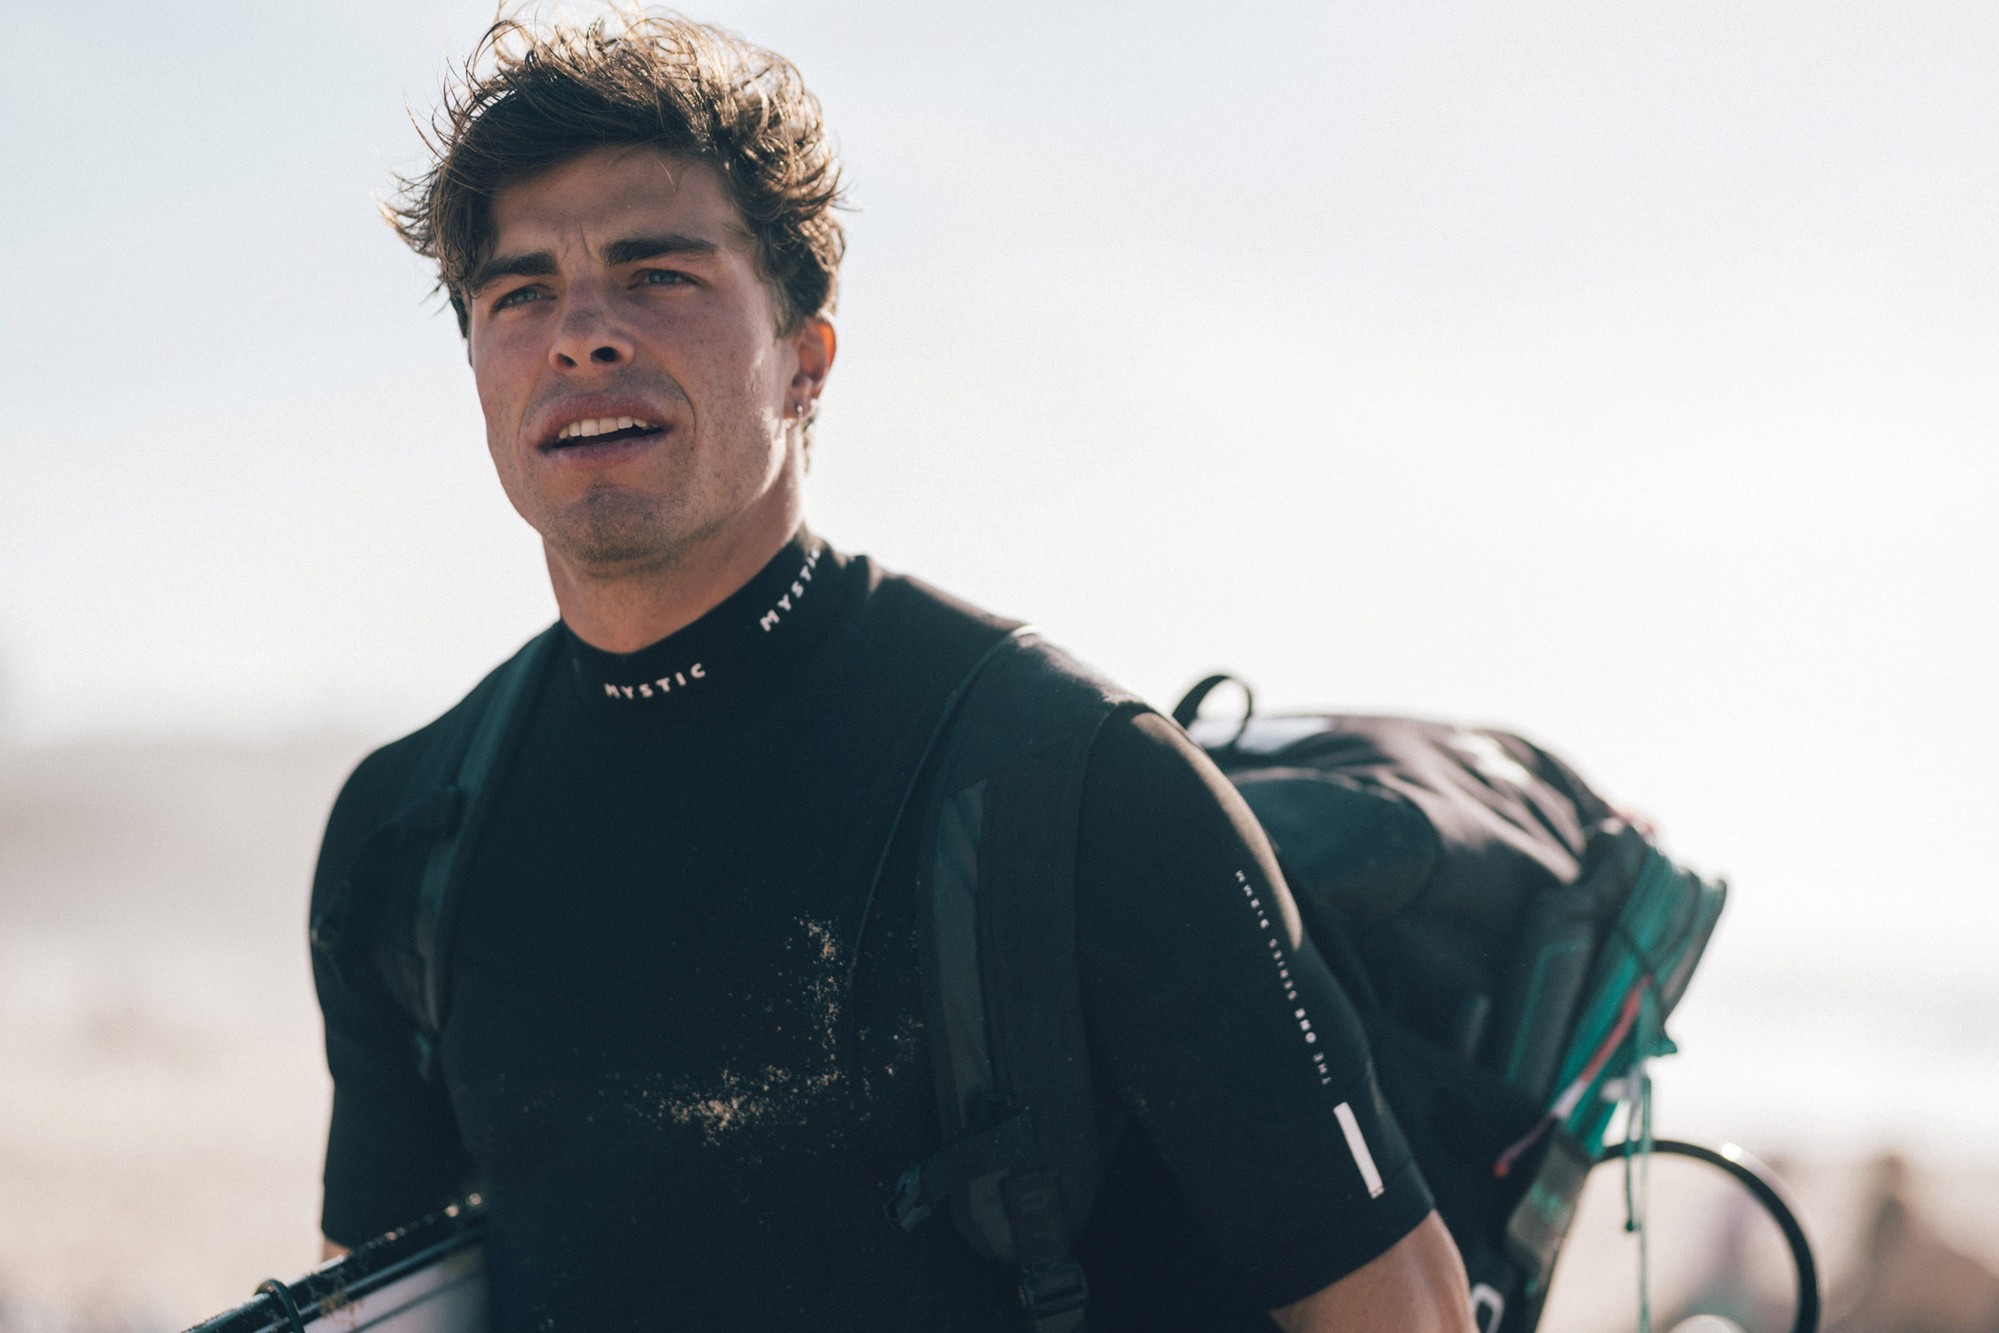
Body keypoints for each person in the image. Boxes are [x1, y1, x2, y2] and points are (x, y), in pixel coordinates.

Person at [307, 13, 1474, 1331]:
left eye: (659, 275)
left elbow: (1403, 1309)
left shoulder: (1077, 785)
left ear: (804, 362)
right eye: (520, 295)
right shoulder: (405, 838)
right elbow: (380, 1306)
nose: (581, 335)